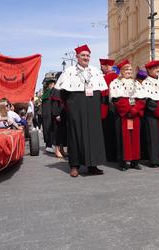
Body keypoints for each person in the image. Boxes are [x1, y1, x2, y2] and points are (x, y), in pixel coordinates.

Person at [56, 44, 107, 177]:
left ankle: (92, 165)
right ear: (77, 57)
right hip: (76, 107)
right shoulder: (69, 71)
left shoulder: (95, 71)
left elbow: (102, 93)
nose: (86, 57)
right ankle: (74, 166)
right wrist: (70, 107)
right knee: (75, 135)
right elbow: (62, 93)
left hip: (92, 107)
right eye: (83, 55)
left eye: (88, 55)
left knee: (93, 136)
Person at [110, 59, 147, 170]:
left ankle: (135, 162)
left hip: (135, 115)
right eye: (126, 69)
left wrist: (135, 110)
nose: (129, 71)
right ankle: (123, 162)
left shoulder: (137, 83)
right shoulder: (115, 83)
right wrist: (128, 110)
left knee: (135, 139)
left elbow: (142, 99)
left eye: (130, 69)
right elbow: (116, 100)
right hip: (123, 116)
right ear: (121, 71)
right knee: (123, 139)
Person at [99, 58, 118, 162]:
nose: (101, 69)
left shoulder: (107, 77)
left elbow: (102, 95)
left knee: (108, 133)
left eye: (102, 67)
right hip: (116, 109)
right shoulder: (117, 76)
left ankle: (109, 155)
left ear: (106, 66)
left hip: (107, 108)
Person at [51, 87, 67, 158]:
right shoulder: (56, 89)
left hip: (64, 113)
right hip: (58, 114)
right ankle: (57, 150)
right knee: (58, 132)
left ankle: (61, 149)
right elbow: (54, 104)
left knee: (62, 133)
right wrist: (57, 114)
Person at [42, 79, 55, 153]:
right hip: (48, 115)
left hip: (47, 114)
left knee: (49, 128)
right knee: (48, 128)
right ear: (50, 85)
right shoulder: (48, 93)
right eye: (53, 84)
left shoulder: (46, 92)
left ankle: (49, 144)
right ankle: (49, 145)